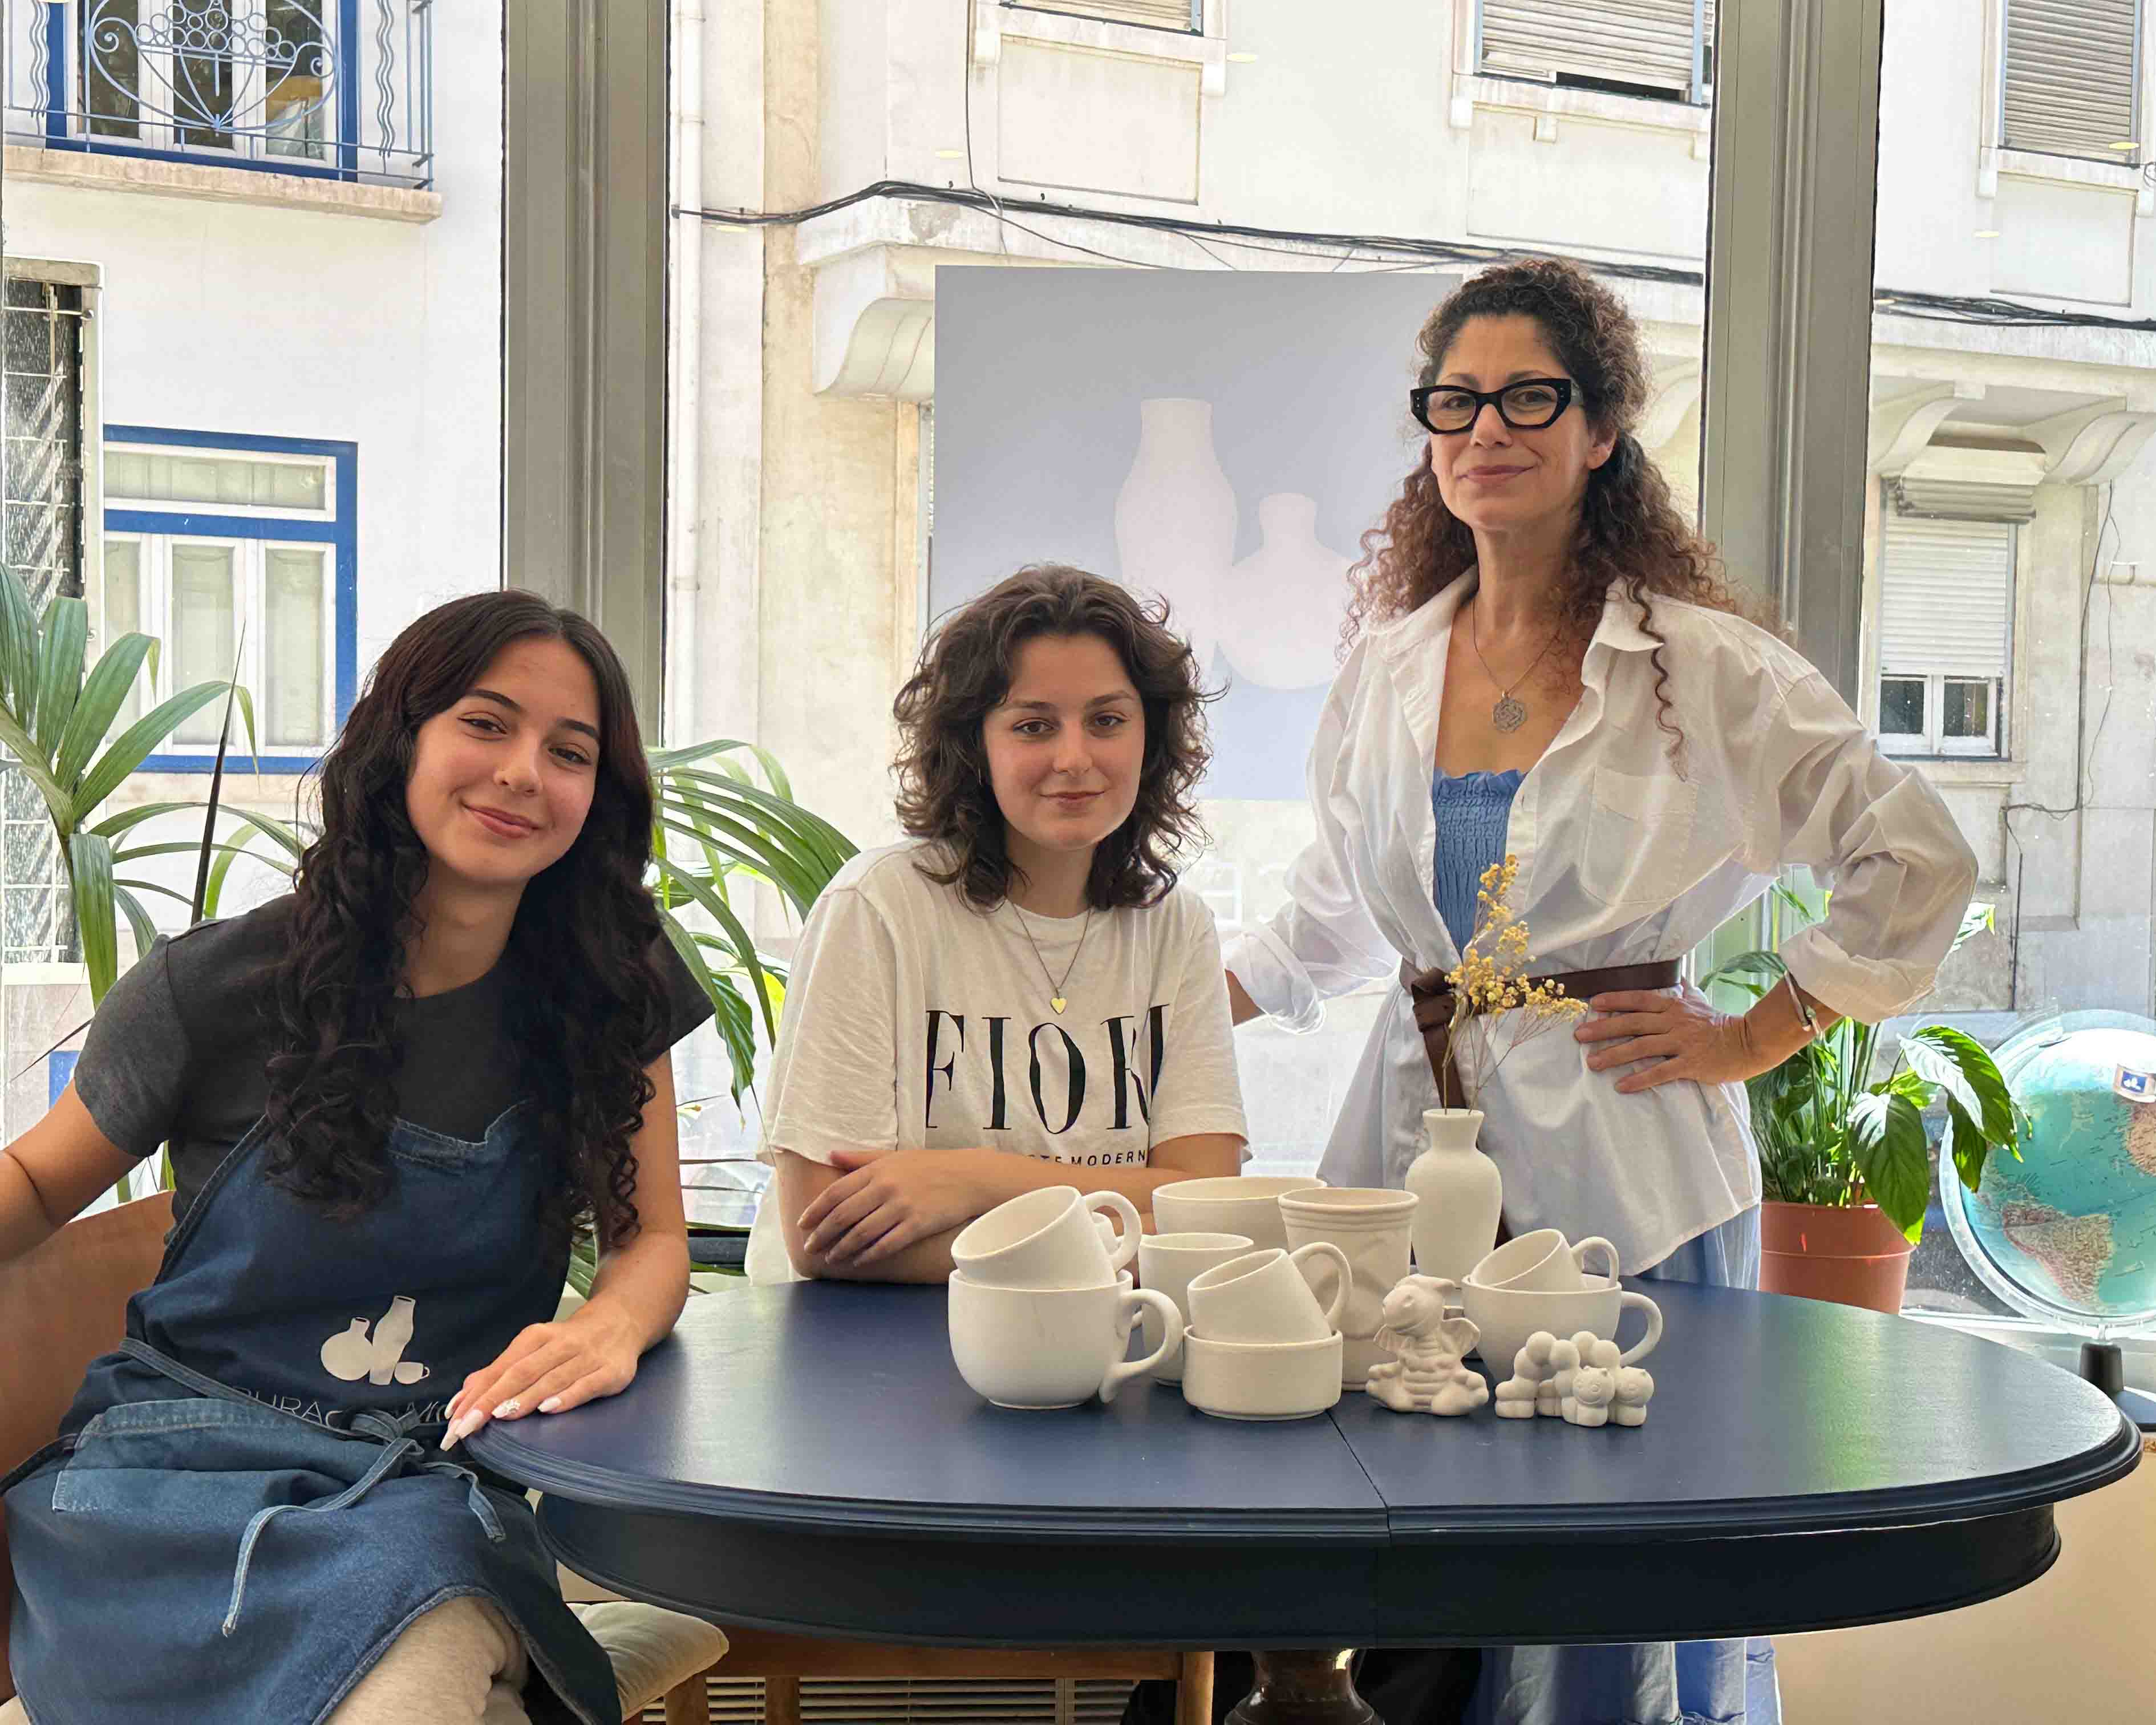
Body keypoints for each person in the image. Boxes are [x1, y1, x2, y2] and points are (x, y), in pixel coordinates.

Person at [1221, 260, 1977, 1725]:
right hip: (1407, 1154)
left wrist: (1761, 1032)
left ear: (1602, 428)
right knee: (1404, 1550)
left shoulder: (1702, 669)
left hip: (1629, 1178)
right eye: (1455, 400)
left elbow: (1912, 855)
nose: (1484, 428)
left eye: (1527, 397)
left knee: (1606, 1591)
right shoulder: (1386, 669)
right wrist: (1155, 1016)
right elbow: (1331, 914)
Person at [0, 592, 718, 1725]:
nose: (524, 772)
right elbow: (38, 1183)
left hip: (419, 1486)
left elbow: (653, 1240)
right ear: (402, 742)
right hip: (166, 1478)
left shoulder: (611, 990)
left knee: (421, 1645)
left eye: (568, 751)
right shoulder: (214, 988)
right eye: (486, 724)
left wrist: (608, 1325)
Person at [747, 564, 1249, 1285]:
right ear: (974, 745)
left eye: (1107, 720)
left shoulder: (1177, 928)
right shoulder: (878, 908)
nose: (1073, 758)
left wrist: (973, 1180)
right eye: (1033, 725)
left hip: (1093, 1346)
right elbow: (824, 1234)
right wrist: (1127, 1220)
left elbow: (1210, 1209)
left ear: (1152, 737)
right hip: (864, 1355)